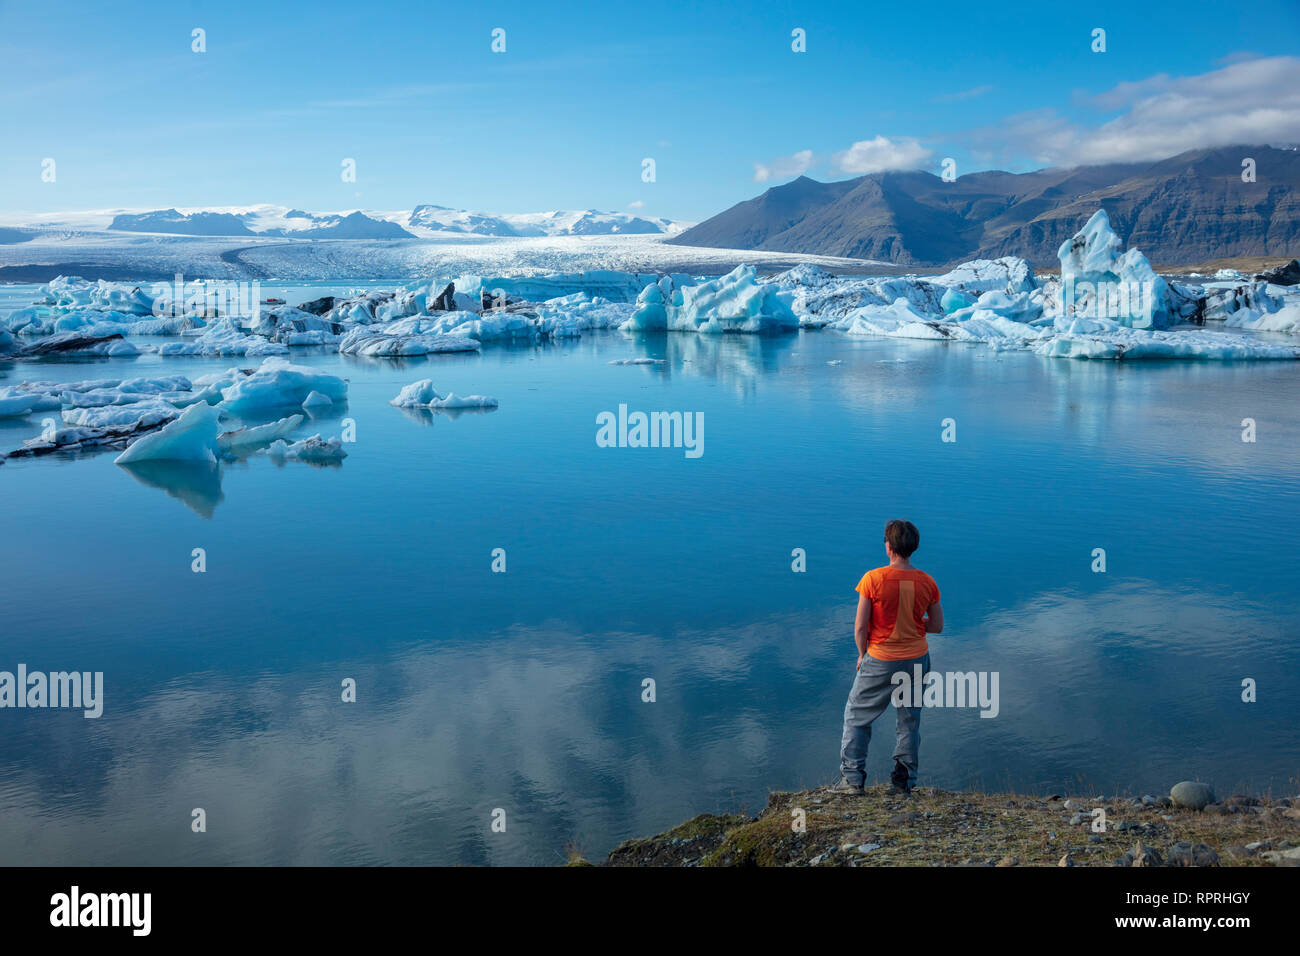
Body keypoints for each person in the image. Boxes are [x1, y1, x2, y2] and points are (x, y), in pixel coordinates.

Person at [830, 519, 943, 796]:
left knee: (857, 716)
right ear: (912, 548)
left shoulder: (873, 579)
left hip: (881, 657)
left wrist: (861, 655)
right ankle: (903, 782)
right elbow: (937, 625)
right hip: (917, 658)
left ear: (888, 547)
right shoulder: (927, 581)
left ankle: (852, 780)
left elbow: (860, 626)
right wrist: (913, 623)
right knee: (909, 720)